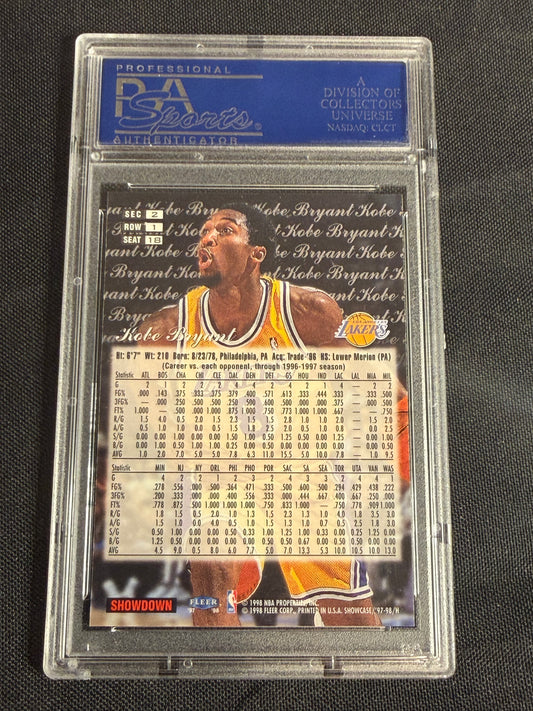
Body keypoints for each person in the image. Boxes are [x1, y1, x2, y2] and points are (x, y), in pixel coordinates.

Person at [138, 203, 395, 627]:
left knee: (352, 624)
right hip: (226, 485)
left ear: (256, 253)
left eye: (224, 230)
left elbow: (382, 393)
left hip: (305, 483)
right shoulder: (166, 330)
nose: (207, 238)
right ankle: (219, 661)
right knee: (210, 572)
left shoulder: (307, 311)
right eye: (204, 231)